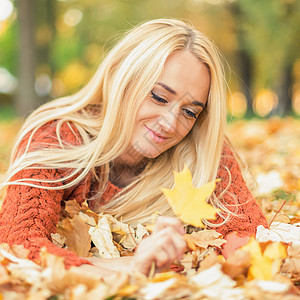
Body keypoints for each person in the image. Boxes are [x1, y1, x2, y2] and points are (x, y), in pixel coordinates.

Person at [0, 18, 267, 276]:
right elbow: (17, 247)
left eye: (189, 111)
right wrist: (132, 269)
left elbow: (250, 242)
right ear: (122, 78)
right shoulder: (56, 137)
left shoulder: (203, 147)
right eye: (159, 97)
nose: (170, 124)